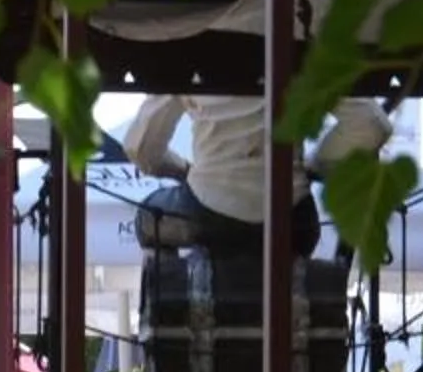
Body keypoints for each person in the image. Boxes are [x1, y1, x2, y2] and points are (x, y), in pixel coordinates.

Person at [121, 93, 395, 256]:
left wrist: (184, 170)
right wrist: (314, 165)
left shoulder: (190, 34)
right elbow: (373, 126)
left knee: (148, 216)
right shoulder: (306, 36)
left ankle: (171, 317)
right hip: (293, 220)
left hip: (208, 213)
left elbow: (141, 148)